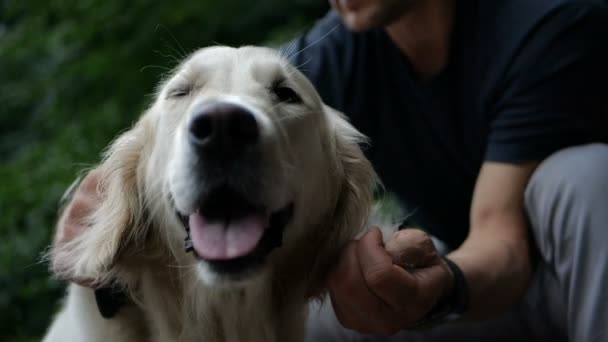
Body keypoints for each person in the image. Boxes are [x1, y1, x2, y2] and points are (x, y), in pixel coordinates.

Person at [59, 0, 608, 341]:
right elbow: (238, 103)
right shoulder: (342, 52)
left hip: (547, 275)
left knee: (584, 177)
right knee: (296, 309)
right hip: (462, 299)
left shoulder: (550, 20)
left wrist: (436, 287)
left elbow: (504, 245)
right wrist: (109, 208)